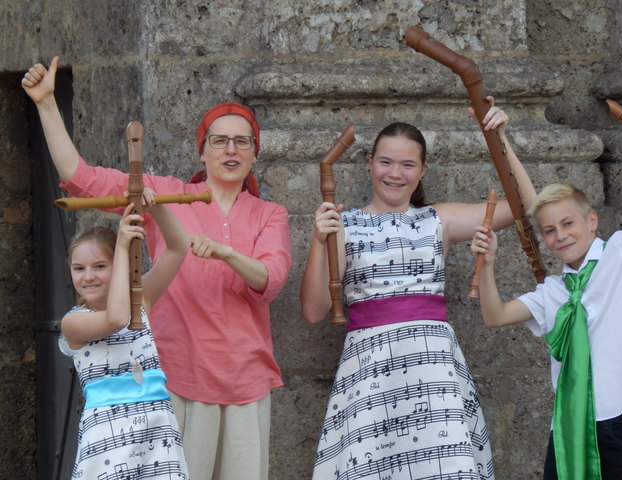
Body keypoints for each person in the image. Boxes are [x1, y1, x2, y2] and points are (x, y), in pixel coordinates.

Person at [23, 57, 292, 480]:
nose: (231, 150)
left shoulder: (269, 214)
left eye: (242, 142)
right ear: (202, 150)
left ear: (256, 154)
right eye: (219, 141)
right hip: (178, 376)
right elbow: (82, 179)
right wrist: (45, 104)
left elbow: (271, 280)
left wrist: (225, 253)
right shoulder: (167, 193)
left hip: (246, 379)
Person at [300, 99, 536, 479]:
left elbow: (526, 205)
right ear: (370, 164)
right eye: (386, 162)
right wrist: (318, 239)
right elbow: (313, 311)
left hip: (434, 373)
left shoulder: (438, 219)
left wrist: (500, 139)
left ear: (422, 170)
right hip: (369, 373)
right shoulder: (344, 224)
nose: (395, 174)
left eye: (408, 164)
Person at [470, 182, 622, 479]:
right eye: (549, 230)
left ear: (592, 220)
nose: (560, 235)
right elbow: (496, 316)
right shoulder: (552, 291)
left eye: (568, 223)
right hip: (569, 428)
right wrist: (488, 263)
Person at [61, 197, 190, 479]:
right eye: (79, 268)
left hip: (157, 428)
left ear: (117, 265)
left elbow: (178, 247)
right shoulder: (73, 322)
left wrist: (154, 205)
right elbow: (115, 319)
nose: (88, 277)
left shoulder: (140, 299)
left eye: (100, 266)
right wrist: (121, 246)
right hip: (106, 437)